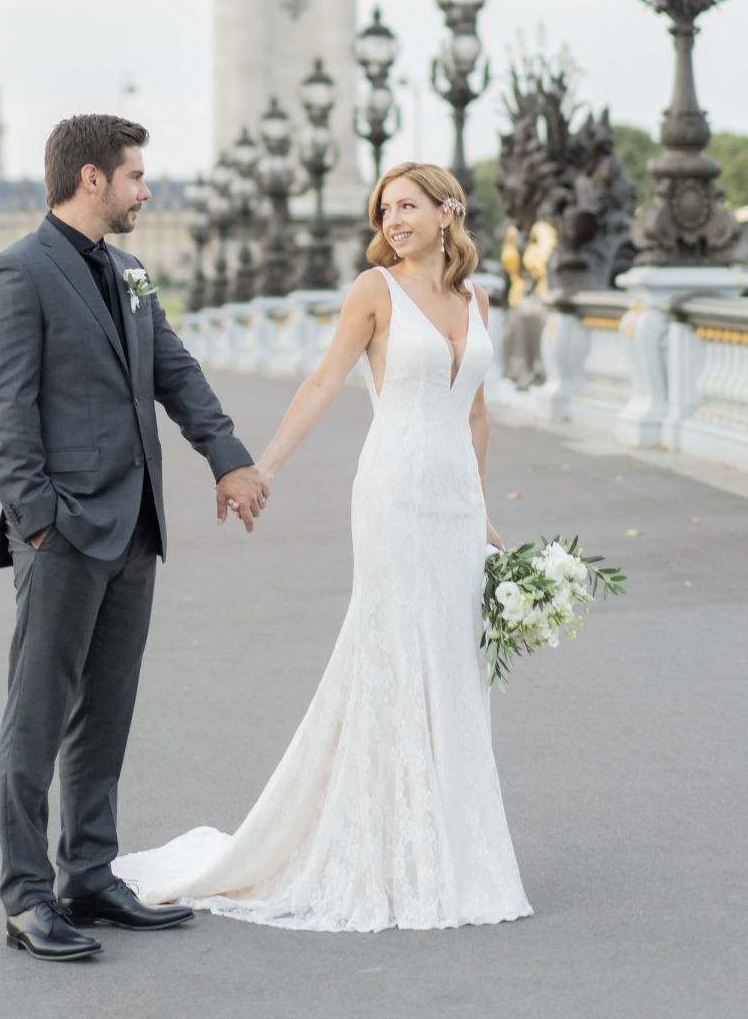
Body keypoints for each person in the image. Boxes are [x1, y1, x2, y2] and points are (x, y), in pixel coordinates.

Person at [116, 162, 532, 932]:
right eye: (385, 210)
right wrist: (261, 467)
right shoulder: (374, 292)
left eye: (408, 206)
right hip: (394, 493)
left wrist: (480, 510)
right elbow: (320, 383)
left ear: (450, 212)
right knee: (394, 651)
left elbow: (476, 415)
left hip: (452, 503)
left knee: (449, 656)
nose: (393, 221)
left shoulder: (475, 299)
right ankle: (389, 850)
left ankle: (450, 844)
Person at [0, 114, 269, 963]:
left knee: (106, 713)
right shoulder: (16, 273)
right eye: (137, 176)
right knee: (35, 720)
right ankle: (27, 898)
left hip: (136, 529)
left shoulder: (132, 272)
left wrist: (229, 458)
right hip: (63, 534)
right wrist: (38, 521)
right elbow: (6, 413)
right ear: (92, 179)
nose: (148, 190)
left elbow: (174, 371)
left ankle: (89, 874)